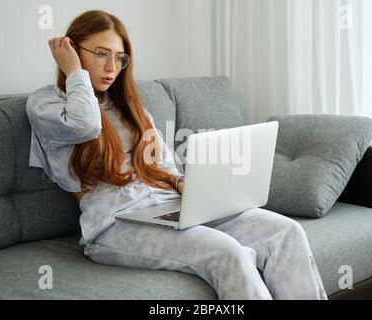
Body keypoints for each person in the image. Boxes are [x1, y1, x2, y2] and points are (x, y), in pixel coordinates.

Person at [26, 9, 327, 300]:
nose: (111, 68)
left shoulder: (130, 108)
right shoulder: (48, 104)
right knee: (228, 253)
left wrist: (183, 184)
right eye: (101, 54)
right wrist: (74, 72)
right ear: (71, 49)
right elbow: (85, 124)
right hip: (113, 224)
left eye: (119, 58)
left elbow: (164, 163)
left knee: (286, 231)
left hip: (168, 205)